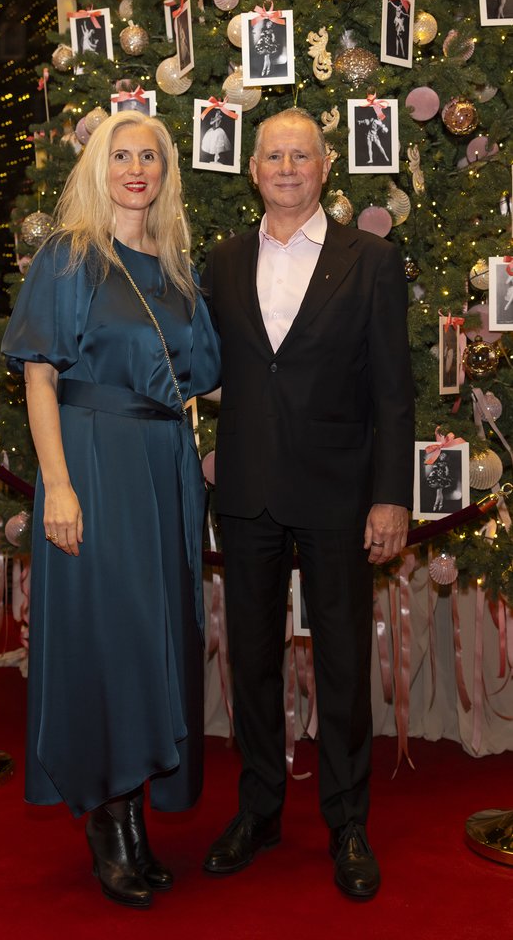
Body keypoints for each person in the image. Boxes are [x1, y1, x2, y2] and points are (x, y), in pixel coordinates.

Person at [2, 110, 220, 909]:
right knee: (112, 634)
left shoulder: (177, 269)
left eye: (149, 157)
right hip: (94, 461)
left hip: (165, 467)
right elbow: (39, 376)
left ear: (166, 172)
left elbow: (206, 378)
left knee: (157, 634)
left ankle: (133, 820)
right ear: (100, 167)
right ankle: (109, 818)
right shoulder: (69, 256)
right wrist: (57, 483)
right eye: (122, 155)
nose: (136, 169)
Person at [201, 108, 414, 901]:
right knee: (252, 658)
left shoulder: (372, 260)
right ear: (253, 169)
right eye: (273, 155)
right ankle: (259, 811)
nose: (287, 167)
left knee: (343, 662)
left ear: (325, 167)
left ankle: (348, 822)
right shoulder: (223, 260)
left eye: (301, 155)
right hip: (248, 490)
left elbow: (393, 391)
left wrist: (390, 497)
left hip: (339, 492)